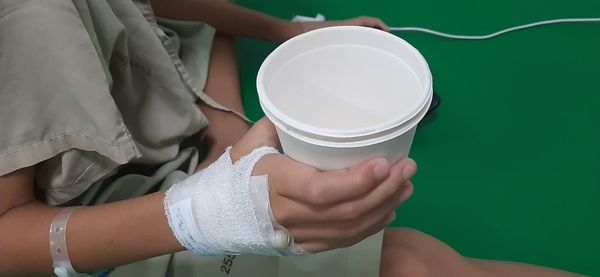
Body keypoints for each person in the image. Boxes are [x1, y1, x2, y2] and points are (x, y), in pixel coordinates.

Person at [0, 0, 585, 276]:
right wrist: (203, 213)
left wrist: (288, 35)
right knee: (412, 268)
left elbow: (161, 7)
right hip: (114, 231)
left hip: (177, 140)